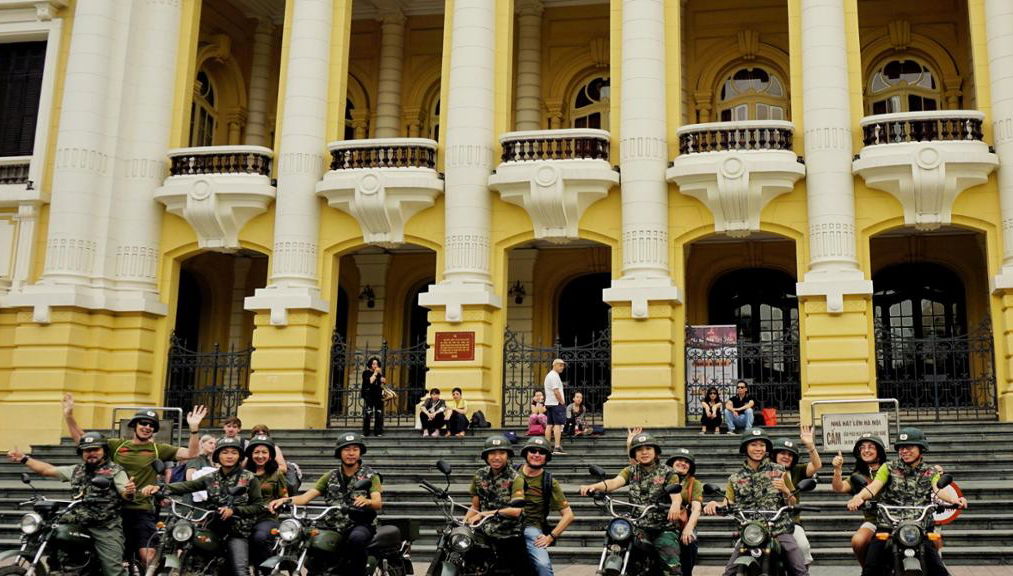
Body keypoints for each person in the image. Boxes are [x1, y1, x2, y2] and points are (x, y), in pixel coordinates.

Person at [63, 394, 207, 569]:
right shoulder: (117, 445)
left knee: (148, 556)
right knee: (105, 557)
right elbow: (84, 441)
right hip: (114, 509)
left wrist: (193, 430)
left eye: (151, 425)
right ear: (134, 426)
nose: (146, 427)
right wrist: (69, 417)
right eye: (143, 423)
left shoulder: (157, 448)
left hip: (142, 508)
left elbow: (191, 454)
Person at [7, 432, 136, 576]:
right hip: (77, 522)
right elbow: (47, 470)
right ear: (81, 453)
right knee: (53, 534)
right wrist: (24, 458)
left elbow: (125, 491)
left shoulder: (115, 471)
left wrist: (129, 491)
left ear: (104, 451)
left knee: (113, 570)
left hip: (104, 527)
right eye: (87, 450)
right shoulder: (76, 470)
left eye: (95, 449)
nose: (91, 453)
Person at [846, 427, 967, 576]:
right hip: (888, 525)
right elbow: (874, 486)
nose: (904, 451)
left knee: (938, 569)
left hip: (920, 527)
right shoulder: (888, 467)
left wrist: (956, 499)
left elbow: (938, 489)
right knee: (871, 568)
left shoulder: (930, 471)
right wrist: (859, 497)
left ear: (921, 449)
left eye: (909, 447)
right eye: (901, 448)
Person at [141, 436, 264, 576]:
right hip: (212, 527)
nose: (229, 456)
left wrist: (234, 510)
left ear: (239, 456)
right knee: (191, 554)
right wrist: (159, 488)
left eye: (234, 453)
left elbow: (259, 506)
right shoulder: (211, 477)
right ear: (217, 455)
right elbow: (187, 485)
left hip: (236, 531)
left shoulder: (249, 478)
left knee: (240, 570)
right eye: (225, 452)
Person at [267, 432, 382, 575]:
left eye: (355, 449)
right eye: (346, 449)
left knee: (356, 540)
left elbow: (377, 502)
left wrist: (367, 501)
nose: (351, 453)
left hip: (360, 523)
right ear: (339, 453)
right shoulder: (330, 476)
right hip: (333, 524)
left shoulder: (370, 475)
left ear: (360, 452)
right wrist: (285, 500)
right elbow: (305, 498)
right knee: (312, 542)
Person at [703, 428, 806, 576]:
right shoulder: (735, 478)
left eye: (762, 445)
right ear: (745, 447)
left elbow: (792, 503)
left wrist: (786, 490)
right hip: (751, 532)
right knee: (729, 572)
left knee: (798, 567)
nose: (758, 449)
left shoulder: (779, 471)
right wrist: (715, 504)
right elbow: (728, 502)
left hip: (778, 530)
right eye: (754, 445)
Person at [579, 432, 682, 576]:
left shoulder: (668, 472)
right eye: (639, 449)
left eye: (648, 448)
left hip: (662, 527)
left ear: (656, 452)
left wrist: (675, 505)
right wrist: (594, 487)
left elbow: (676, 495)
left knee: (671, 566)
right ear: (634, 454)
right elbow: (615, 482)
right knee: (619, 546)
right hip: (638, 526)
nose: (644, 452)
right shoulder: (631, 471)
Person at [462, 434, 533, 575]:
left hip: (509, 534)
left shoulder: (516, 478)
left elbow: (517, 510)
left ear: (508, 456)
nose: (497, 457)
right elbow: (475, 507)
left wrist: (488, 513)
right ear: (486, 457)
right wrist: (464, 522)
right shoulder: (479, 475)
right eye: (492, 453)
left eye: (501, 453)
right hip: (484, 532)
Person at [511, 436, 575, 576]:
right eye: (533, 451)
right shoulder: (510, 473)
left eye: (542, 452)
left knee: (543, 565)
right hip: (503, 523)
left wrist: (551, 536)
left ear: (547, 457)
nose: (536, 455)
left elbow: (568, 515)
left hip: (530, 527)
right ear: (525, 453)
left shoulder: (549, 481)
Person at [832, 433, 888, 567]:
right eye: (862, 447)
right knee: (858, 541)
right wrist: (837, 470)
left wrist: (936, 470)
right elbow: (838, 487)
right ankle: (867, 569)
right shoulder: (858, 475)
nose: (866, 450)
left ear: (879, 451)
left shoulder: (891, 469)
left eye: (871, 447)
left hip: (896, 517)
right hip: (873, 520)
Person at [772, 425, 824, 566]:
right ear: (774, 454)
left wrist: (810, 445)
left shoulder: (796, 470)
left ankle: (803, 570)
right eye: (782, 453)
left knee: (803, 546)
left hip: (790, 520)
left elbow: (817, 465)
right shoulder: (763, 471)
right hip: (764, 519)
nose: (786, 457)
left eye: (790, 455)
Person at [245, 435, 288, 575]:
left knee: (260, 537)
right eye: (256, 452)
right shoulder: (243, 474)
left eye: (264, 452)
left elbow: (284, 497)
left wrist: (278, 503)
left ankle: (266, 571)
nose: (260, 456)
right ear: (250, 455)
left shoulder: (276, 475)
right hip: (244, 517)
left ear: (270, 456)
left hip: (266, 518)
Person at [666, 448, 703, 576]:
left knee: (689, 542)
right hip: (658, 521)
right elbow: (636, 470)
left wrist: (689, 528)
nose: (683, 463)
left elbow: (696, 508)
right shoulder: (662, 476)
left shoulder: (694, 483)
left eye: (687, 462)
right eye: (679, 460)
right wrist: (630, 446)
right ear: (671, 463)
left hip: (682, 524)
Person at [543, 358, 567, 454]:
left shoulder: (550, 375)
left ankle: (547, 446)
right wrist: (562, 402)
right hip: (556, 403)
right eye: (560, 365)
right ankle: (557, 447)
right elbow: (556, 391)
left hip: (550, 403)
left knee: (549, 425)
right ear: (554, 365)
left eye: (563, 365)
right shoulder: (554, 376)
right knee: (557, 425)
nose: (562, 367)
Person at [362, 356, 386, 437]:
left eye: (377, 364)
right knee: (368, 413)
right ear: (370, 365)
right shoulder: (366, 373)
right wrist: (375, 373)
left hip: (378, 395)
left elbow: (381, 385)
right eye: (373, 364)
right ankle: (366, 432)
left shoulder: (379, 374)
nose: (375, 365)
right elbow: (370, 382)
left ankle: (378, 432)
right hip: (369, 395)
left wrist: (383, 381)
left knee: (379, 413)